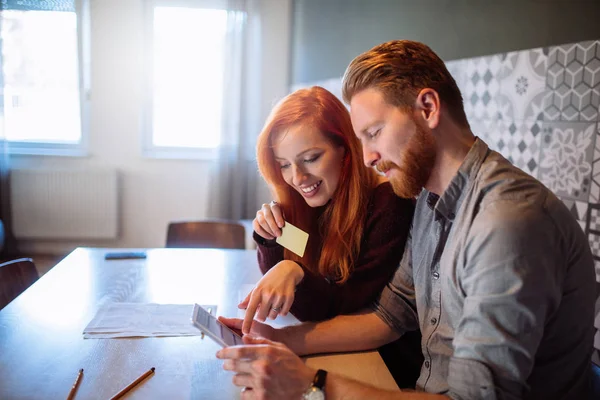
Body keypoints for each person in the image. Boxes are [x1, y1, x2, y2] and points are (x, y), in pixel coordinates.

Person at [216, 40, 596, 400]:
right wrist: (277, 340)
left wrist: (311, 384)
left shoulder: (508, 222)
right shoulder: (430, 201)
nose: (366, 158)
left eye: (374, 133)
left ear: (428, 108)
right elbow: (388, 316)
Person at [240, 86, 415, 337]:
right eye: (284, 165)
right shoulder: (308, 200)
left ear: (345, 149)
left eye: (310, 158)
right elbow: (280, 290)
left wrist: (295, 272)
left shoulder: (388, 203)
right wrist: (270, 238)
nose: (297, 178)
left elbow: (340, 305)